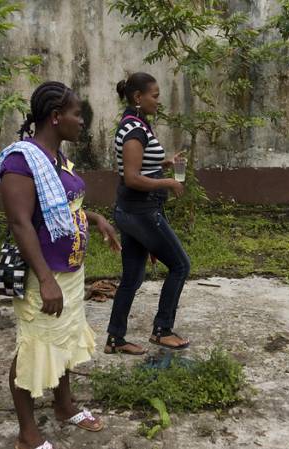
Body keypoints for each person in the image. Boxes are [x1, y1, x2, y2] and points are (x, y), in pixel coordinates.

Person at [0, 80, 121, 449]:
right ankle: (27, 432)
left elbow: (68, 207)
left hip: (69, 271)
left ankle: (64, 406)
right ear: (55, 117)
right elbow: (21, 222)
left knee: (64, 339)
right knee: (35, 346)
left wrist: (96, 219)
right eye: (76, 114)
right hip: (44, 276)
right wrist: (45, 279)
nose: (81, 121)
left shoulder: (58, 160)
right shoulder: (20, 161)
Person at [104, 72, 191, 356]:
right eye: (154, 95)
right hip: (140, 212)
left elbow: (140, 165)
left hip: (133, 211)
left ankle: (115, 338)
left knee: (132, 277)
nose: (158, 100)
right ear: (138, 98)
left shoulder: (138, 124)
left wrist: (165, 163)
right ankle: (162, 330)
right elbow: (131, 177)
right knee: (180, 265)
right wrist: (168, 182)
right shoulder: (133, 130)